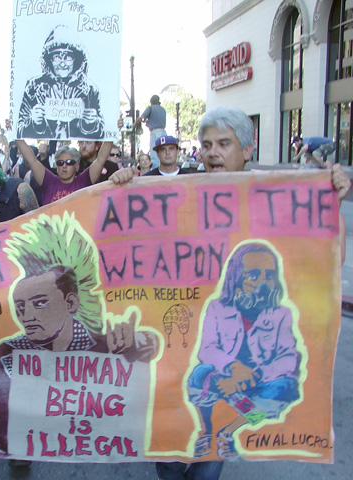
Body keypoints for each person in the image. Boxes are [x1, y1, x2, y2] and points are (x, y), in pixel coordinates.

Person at [111, 106, 351, 480]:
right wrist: (124, 186)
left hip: (248, 388)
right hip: (181, 363)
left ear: (248, 148)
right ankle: (208, 430)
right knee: (172, 456)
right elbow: (134, 245)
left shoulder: (280, 199)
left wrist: (330, 202)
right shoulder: (181, 194)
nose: (212, 152)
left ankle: (223, 431)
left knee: (210, 465)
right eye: (206, 144)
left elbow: (326, 266)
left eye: (224, 143)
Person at [0, 214, 158, 454]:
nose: (27, 315)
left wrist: (141, 344)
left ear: (71, 303)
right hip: (26, 448)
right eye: (20, 307)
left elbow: (150, 352)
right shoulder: (6, 354)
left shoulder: (107, 345)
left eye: (40, 303)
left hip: (88, 449)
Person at [188, 242, 302, 461]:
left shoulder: (281, 314)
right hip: (224, 379)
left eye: (269, 275)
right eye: (253, 276)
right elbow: (207, 348)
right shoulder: (217, 308)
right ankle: (206, 430)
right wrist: (233, 368)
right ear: (235, 280)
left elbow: (288, 358)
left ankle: (228, 432)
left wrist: (254, 376)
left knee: (287, 386)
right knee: (199, 374)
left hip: (256, 385)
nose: (263, 284)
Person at [17, 25, 104, 139]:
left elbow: (104, 132)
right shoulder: (33, 87)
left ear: (76, 59)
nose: (62, 63)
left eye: (67, 57)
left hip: (76, 154)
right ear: (49, 59)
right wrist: (34, 123)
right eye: (57, 57)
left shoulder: (90, 90)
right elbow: (18, 130)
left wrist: (92, 123)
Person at [16, 138, 112, 206]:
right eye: (60, 162)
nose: (64, 166)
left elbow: (101, 159)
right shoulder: (48, 182)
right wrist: (15, 133)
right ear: (56, 166)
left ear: (77, 166)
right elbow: (32, 160)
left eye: (69, 162)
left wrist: (111, 133)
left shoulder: (84, 181)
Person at [137, 95, 167, 170]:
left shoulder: (150, 108)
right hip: (163, 132)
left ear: (151, 102)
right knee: (162, 151)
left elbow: (141, 118)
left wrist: (135, 125)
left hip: (155, 132)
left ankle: (155, 170)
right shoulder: (163, 110)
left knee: (154, 153)